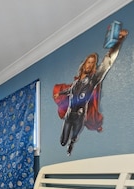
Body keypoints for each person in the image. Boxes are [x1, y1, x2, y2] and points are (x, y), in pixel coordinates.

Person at [53, 26, 128, 155]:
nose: (90, 65)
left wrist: (118, 42)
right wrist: (59, 93)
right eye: (89, 62)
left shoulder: (92, 80)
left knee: (74, 136)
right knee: (62, 141)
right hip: (69, 115)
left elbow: (107, 62)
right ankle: (68, 143)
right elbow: (70, 90)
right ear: (84, 64)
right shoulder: (76, 82)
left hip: (80, 116)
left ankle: (72, 144)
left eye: (93, 63)